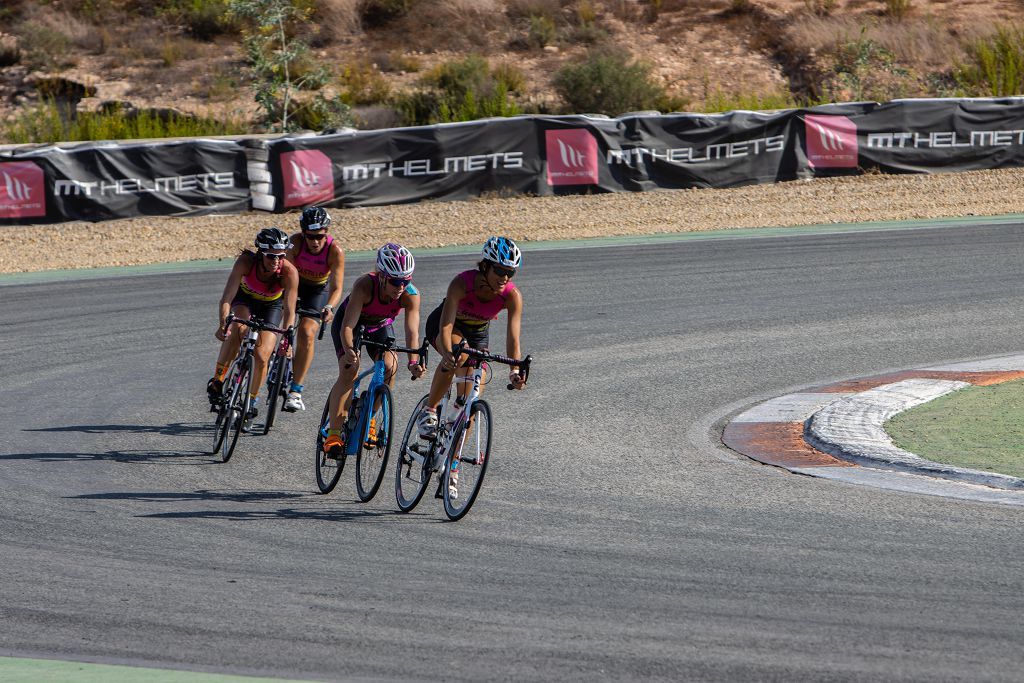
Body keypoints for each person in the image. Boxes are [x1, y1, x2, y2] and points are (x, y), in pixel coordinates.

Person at [416, 236, 527, 442]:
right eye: (500, 270)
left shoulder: (512, 296)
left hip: (477, 333)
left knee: (470, 403)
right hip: (447, 324)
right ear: (485, 266)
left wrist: (515, 370)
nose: (505, 277)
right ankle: (429, 410)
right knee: (457, 355)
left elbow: (513, 338)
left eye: (510, 272)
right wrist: (448, 352)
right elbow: (446, 325)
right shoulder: (462, 283)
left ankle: (451, 465)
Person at [323, 243, 425, 457]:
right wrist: (350, 349)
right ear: (381, 276)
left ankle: (369, 416)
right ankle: (333, 434)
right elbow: (347, 326)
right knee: (350, 370)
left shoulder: (411, 295)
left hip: (378, 325)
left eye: (405, 282)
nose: (400, 287)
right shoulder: (364, 286)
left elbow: (412, 331)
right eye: (395, 282)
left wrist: (413, 362)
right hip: (351, 324)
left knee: (391, 365)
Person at [207, 227, 299, 423]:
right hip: (244, 300)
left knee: (263, 354)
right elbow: (227, 297)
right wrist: (224, 321)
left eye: (281, 256)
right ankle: (218, 380)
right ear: (259, 254)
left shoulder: (289, 272)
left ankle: (252, 400)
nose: (276, 261)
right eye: (270, 256)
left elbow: (290, 310)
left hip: (272, 307)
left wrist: (287, 339)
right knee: (237, 329)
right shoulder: (246, 262)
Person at [282, 206, 345, 412]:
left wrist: (329, 306)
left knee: (307, 332)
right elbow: (284, 277)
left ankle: (296, 391)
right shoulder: (295, 244)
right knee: (282, 322)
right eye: (310, 236)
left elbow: (336, 288)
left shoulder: (335, 251)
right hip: (294, 285)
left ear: (326, 232)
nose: (315, 241)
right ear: (303, 233)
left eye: (319, 236)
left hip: (317, 291)